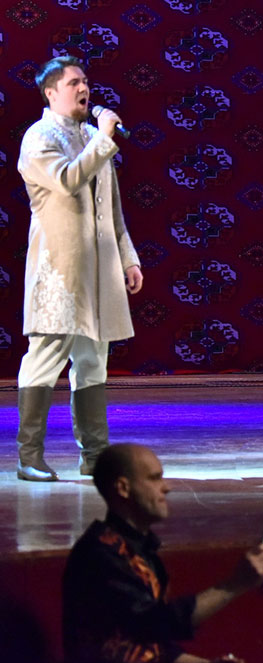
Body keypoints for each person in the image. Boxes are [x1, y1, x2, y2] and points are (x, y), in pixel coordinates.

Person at [15, 56, 143, 482]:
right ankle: (29, 457)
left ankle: (95, 456)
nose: (84, 88)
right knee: (45, 358)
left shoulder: (91, 136)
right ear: (51, 92)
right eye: (74, 82)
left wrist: (128, 258)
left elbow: (111, 208)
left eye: (86, 81)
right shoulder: (38, 138)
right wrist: (103, 139)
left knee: (92, 362)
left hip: (98, 271)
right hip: (59, 270)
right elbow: (69, 180)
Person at [61, 444, 263, 663]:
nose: (167, 487)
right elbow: (153, 624)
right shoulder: (101, 553)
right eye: (154, 479)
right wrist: (234, 584)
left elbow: (151, 644)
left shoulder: (140, 548)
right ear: (123, 488)